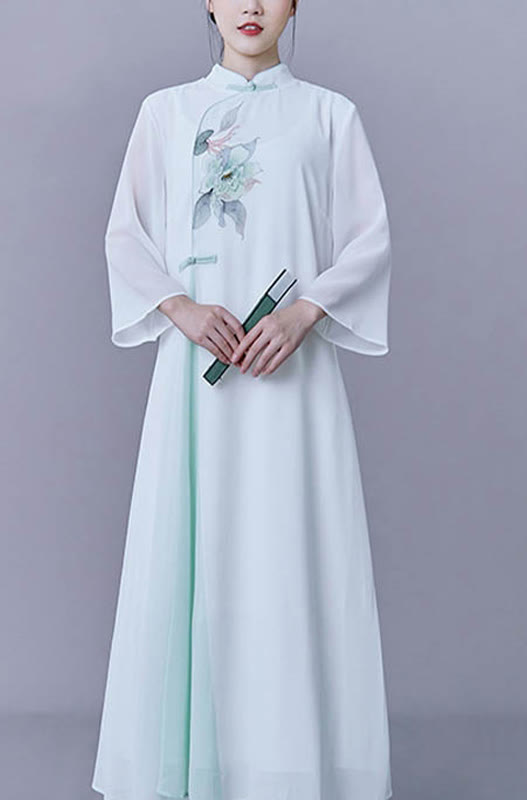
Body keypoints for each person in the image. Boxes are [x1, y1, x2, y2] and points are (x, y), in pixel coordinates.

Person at [92, 2, 393, 799]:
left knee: (290, 551)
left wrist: (304, 313)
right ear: (208, 3)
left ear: (295, 5)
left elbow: (369, 238)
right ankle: (188, 772)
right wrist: (181, 310)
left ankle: (291, 771)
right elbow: (126, 234)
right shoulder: (165, 113)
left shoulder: (329, 116)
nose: (252, 6)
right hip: (195, 378)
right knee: (190, 550)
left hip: (292, 375)